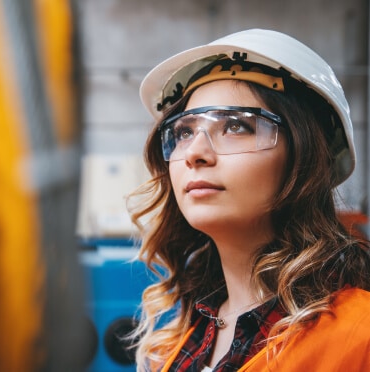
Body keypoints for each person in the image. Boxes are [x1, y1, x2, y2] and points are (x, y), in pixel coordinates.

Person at [128, 29, 370, 371]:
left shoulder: (360, 337)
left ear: (305, 158)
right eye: (184, 132)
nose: (195, 153)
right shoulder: (175, 343)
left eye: (236, 126)